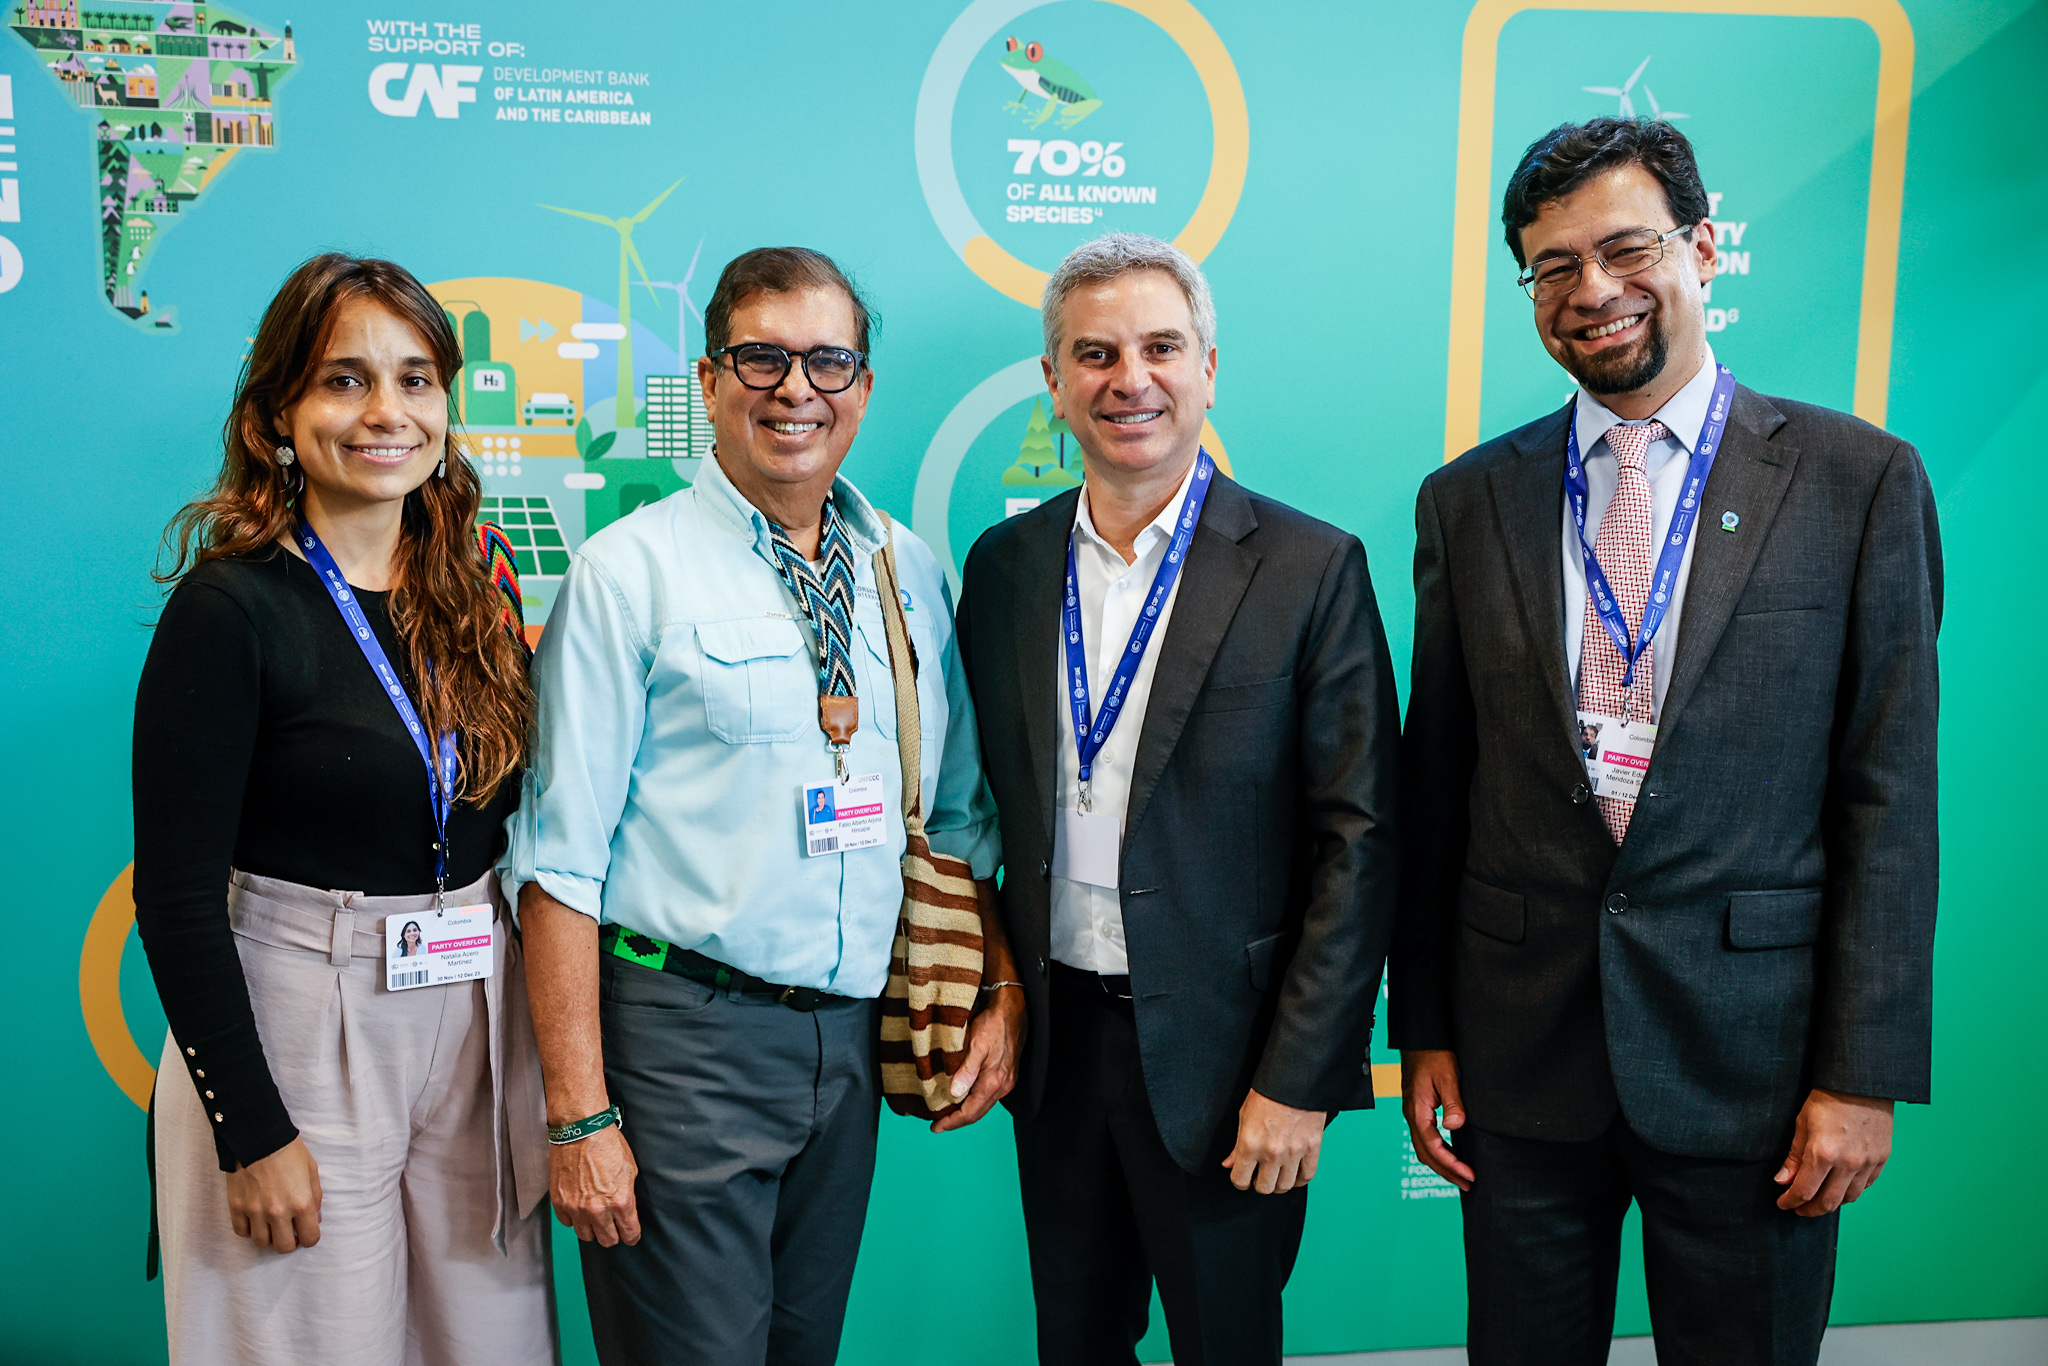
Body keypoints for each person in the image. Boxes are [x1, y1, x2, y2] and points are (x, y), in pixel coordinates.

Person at [1391, 118, 1941, 1365]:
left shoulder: (1856, 482)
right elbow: (1436, 782)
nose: (1590, 290)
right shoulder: (1467, 499)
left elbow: (1889, 797)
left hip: (1754, 1064)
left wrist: (1860, 1073)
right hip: (1518, 1059)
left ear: (1701, 250)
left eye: (1624, 249)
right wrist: (1422, 1021)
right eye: (1551, 266)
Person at [504, 246, 1017, 1366]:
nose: (797, 390)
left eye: (828, 361)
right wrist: (580, 1114)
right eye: (762, 359)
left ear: (862, 387)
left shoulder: (907, 570)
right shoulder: (627, 574)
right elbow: (557, 865)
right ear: (708, 380)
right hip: (682, 1041)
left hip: (850, 1040)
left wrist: (1000, 985)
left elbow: (958, 817)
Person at [955, 232, 1401, 1365]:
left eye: (1159, 347)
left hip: (1230, 1062)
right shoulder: (1004, 569)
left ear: (1208, 367)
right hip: (1057, 1051)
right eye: (1094, 354)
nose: (1130, 380)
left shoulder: (1308, 568)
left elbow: (1360, 844)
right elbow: (980, 817)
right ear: (1054, 380)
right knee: (1074, 1344)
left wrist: (1299, 1082)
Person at [133, 253, 553, 1366]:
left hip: (475, 1008)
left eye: (415, 380)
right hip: (301, 1019)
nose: (386, 413)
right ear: (279, 412)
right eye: (343, 380)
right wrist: (249, 1127)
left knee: (494, 1345)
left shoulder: (476, 586)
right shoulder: (230, 610)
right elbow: (175, 900)